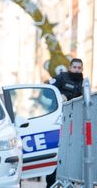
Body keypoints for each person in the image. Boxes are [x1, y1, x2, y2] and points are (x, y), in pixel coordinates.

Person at [46, 58, 84, 188]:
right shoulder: (61, 77)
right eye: (75, 67)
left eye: (79, 68)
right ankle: (51, 184)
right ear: (70, 67)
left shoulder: (83, 83)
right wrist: (59, 95)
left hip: (73, 126)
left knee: (71, 156)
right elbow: (47, 92)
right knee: (55, 154)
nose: (77, 70)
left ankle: (69, 183)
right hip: (56, 123)